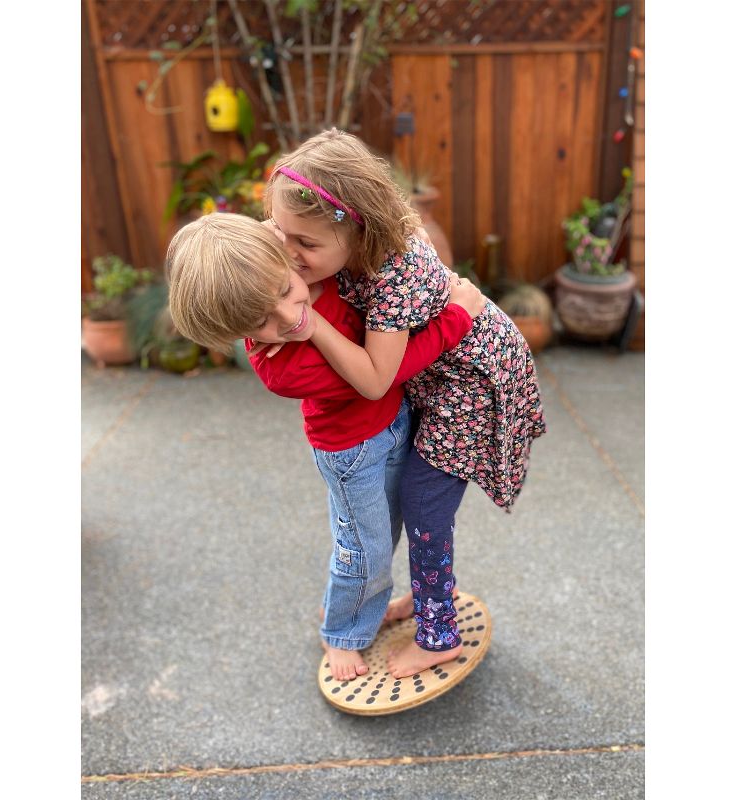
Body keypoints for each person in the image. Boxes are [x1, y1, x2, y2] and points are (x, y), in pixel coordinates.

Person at [260, 128, 547, 679]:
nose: (290, 255)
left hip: (469, 385)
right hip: (438, 376)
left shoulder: (392, 274)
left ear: (357, 228)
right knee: (415, 500)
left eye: (306, 244)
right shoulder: (350, 238)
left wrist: (312, 324)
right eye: (281, 232)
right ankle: (425, 595)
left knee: (423, 503)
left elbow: (373, 380)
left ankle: (439, 634)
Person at [166, 212, 487, 681]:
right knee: (364, 547)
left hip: (395, 424)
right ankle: (340, 632)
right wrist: (454, 319)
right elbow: (383, 373)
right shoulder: (283, 369)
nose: (289, 318)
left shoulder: (311, 270)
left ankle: (361, 606)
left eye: (282, 292)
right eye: (263, 324)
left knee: (390, 531)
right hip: (353, 454)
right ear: (238, 335)